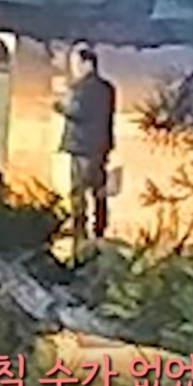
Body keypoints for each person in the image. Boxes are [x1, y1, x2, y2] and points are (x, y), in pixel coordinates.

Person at [55, 44, 116, 255]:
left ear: (87, 63)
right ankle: (100, 229)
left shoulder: (81, 89)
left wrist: (60, 106)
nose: (74, 68)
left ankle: (79, 231)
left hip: (81, 146)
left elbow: (78, 112)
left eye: (76, 63)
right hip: (100, 146)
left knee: (78, 191)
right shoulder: (107, 89)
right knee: (99, 190)